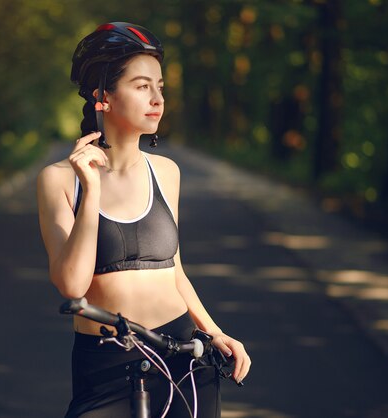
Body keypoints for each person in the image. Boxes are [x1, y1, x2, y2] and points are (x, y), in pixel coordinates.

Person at [36, 22, 251, 417]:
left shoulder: (167, 172)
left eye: (160, 86)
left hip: (184, 358)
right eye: (141, 86)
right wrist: (92, 187)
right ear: (103, 96)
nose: (157, 98)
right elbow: (72, 286)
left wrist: (215, 331)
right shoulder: (60, 180)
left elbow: (174, 270)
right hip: (106, 365)